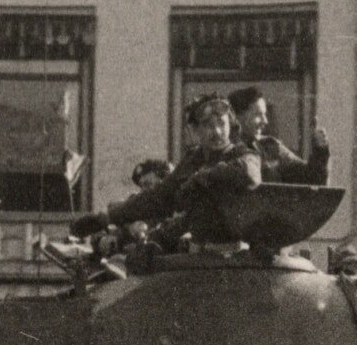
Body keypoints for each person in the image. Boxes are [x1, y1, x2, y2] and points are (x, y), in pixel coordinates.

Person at [70, 94, 261, 250]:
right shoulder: (193, 161)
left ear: (231, 125)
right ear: (195, 131)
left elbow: (250, 174)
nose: (217, 132)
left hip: (235, 253)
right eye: (208, 125)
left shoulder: (241, 154)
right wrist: (106, 217)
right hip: (200, 253)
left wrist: (203, 177)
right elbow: (158, 198)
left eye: (222, 123)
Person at [227, 86, 330, 184]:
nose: (265, 121)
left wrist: (320, 152)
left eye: (264, 114)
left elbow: (310, 178)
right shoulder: (221, 149)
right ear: (237, 117)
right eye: (258, 114)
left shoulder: (271, 147)